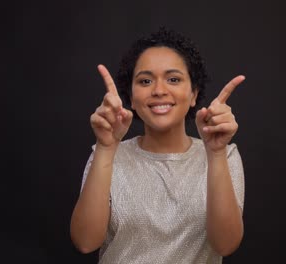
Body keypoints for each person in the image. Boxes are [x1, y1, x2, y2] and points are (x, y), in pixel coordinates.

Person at [70, 27, 245, 264]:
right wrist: (106, 148)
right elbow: (85, 242)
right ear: (131, 97)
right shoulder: (107, 155)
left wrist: (215, 153)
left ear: (194, 93)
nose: (159, 90)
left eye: (173, 79)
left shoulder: (225, 155)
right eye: (145, 81)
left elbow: (225, 244)